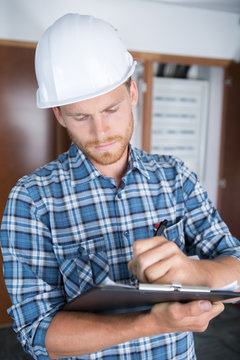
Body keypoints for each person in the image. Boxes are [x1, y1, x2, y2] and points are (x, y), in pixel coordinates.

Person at [1, 13, 240, 360]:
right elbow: (38, 334)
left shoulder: (175, 177)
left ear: (132, 93)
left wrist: (196, 272)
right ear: (58, 114)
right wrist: (154, 323)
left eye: (111, 109)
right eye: (80, 116)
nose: (100, 132)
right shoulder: (32, 200)